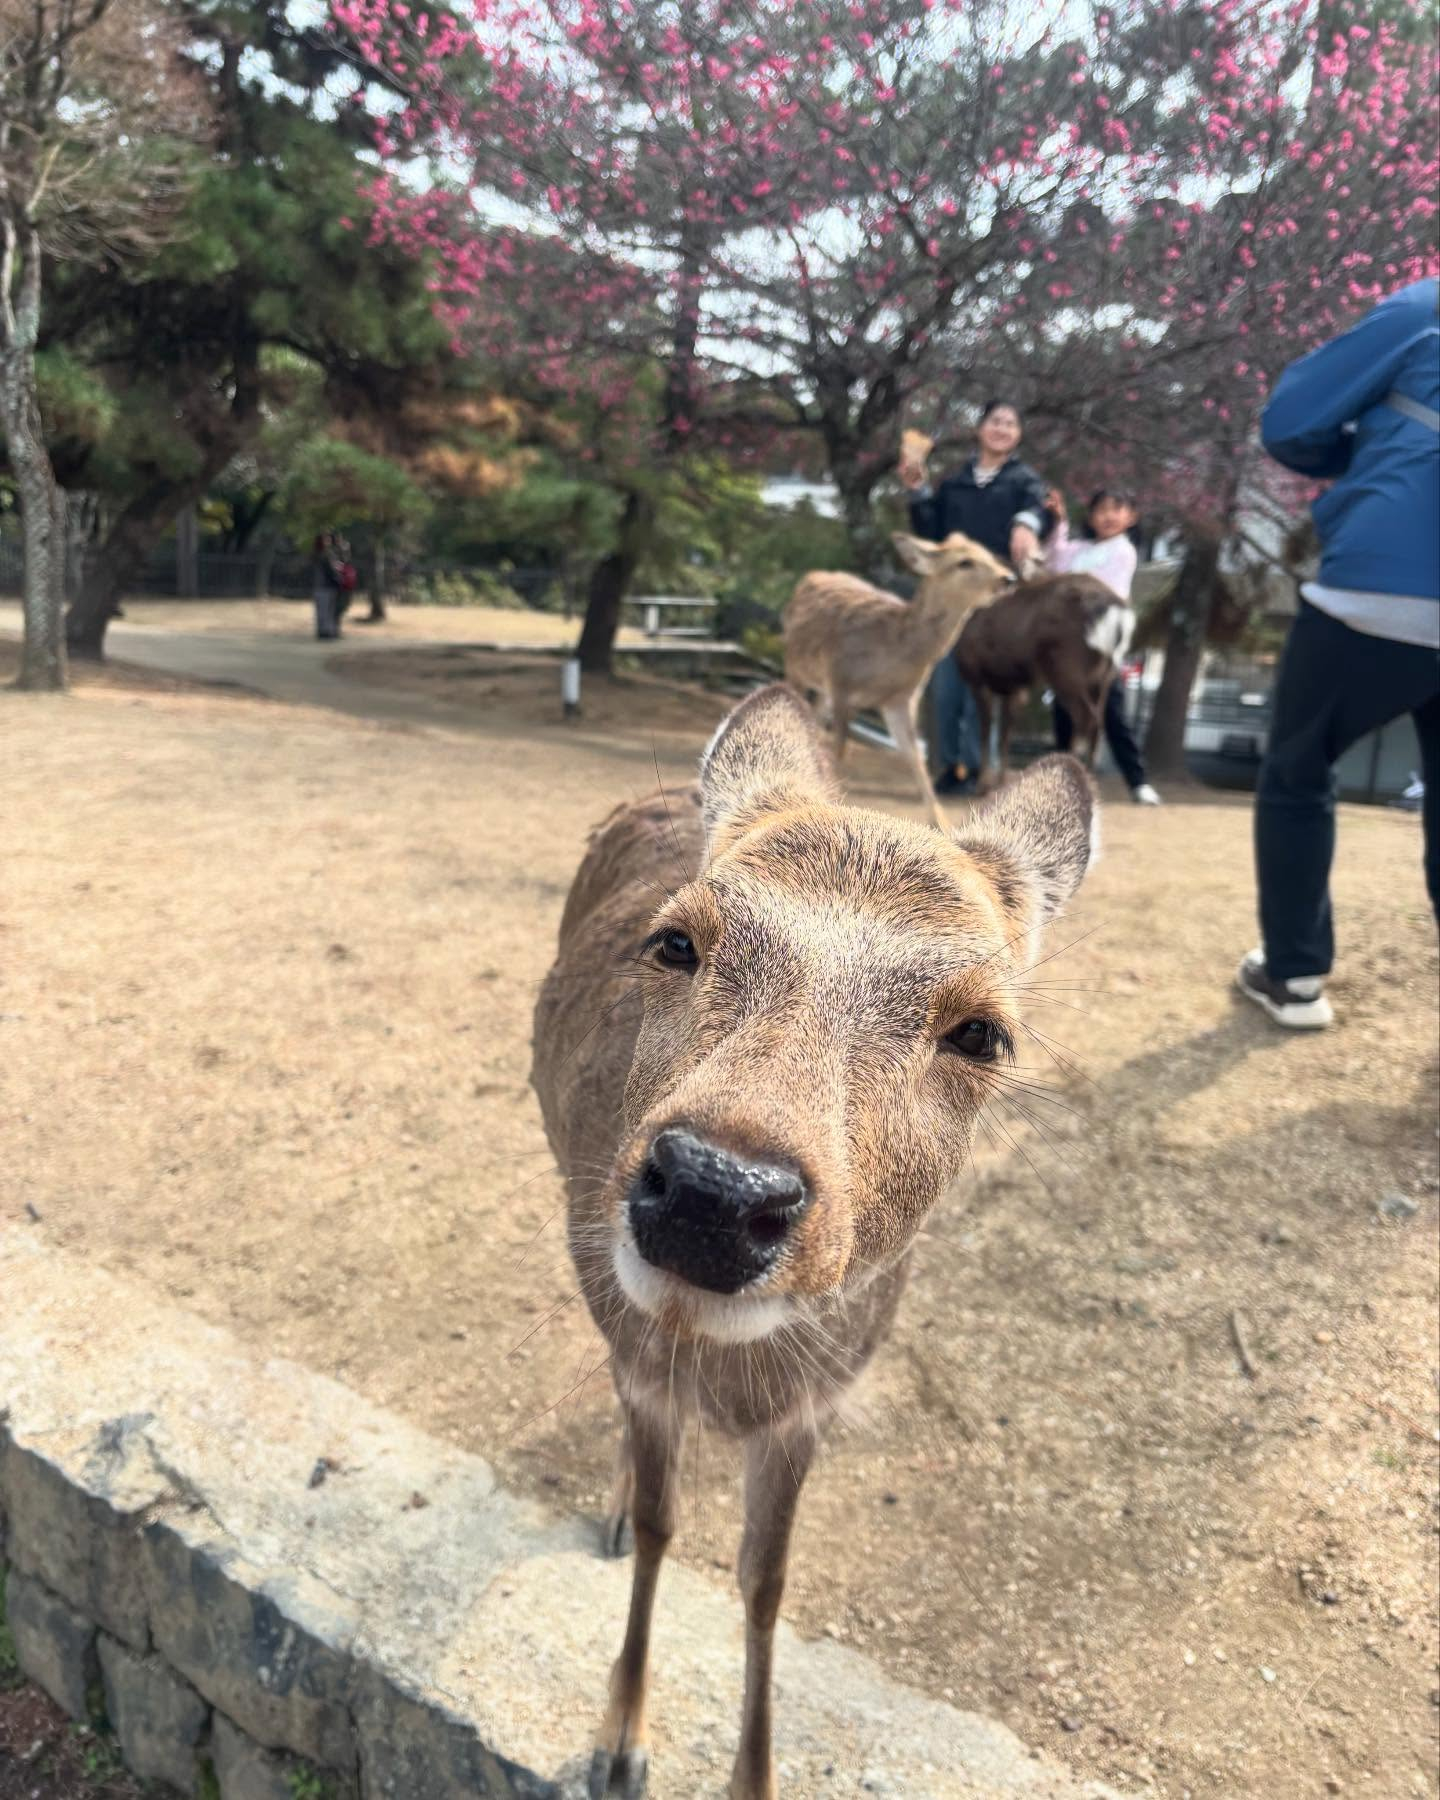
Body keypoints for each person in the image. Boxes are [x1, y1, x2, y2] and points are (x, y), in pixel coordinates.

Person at [1238, 275, 1438, 1030]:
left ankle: (1294, 979)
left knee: (1297, 769)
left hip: (1382, 588)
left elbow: (1291, 421)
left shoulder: (1427, 309)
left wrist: (1361, 450)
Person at [900, 400, 1052, 794]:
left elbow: (1040, 512)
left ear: (1017, 435)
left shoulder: (1024, 481)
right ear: (980, 428)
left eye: (1010, 423)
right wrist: (917, 490)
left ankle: (984, 766)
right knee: (946, 683)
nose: (1002, 428)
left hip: (998, 599)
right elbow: (932, 531)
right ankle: (951, 766)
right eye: (995, 421)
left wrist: (1025, 525)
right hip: (954, 597)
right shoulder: (955, 483)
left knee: (986, 684)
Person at [1045, 485, 1161, 805]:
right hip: (1069, 642)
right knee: (1063, 707)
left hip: (1101, 642)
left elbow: (1095, 586)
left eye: (1116, 509)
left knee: (1111, 711)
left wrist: (1067, 585)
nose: (1108, 516)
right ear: (1092, 517)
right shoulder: (1079, 548)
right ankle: (1063, 778)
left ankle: (1137, 780)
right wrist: (1060, 522)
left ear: (1131, 516)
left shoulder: (1123, 551)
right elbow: (1054, 559)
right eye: (1101, 510)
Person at [312, 531, 344, 640]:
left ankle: (326, 631)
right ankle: (324, 632)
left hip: (326, 587)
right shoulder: (323, 555)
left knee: (327, 611)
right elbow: (330, 570)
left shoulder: (329, 553)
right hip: (323, 586)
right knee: (324, 611)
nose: (328, 541)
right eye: (326, 540)